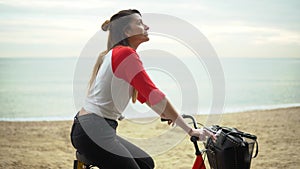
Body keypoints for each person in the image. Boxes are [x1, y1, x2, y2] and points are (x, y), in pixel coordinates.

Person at [70, 9, 216, 169]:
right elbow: (155, 95)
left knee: (146, 163)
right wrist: (189, 130)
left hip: (93, 128)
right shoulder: (125, 54)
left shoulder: (117, 53)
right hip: (93, 131)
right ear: (127, 31)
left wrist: (167, 113)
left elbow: (145, 97)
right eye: (139, 23)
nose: (146, 27)